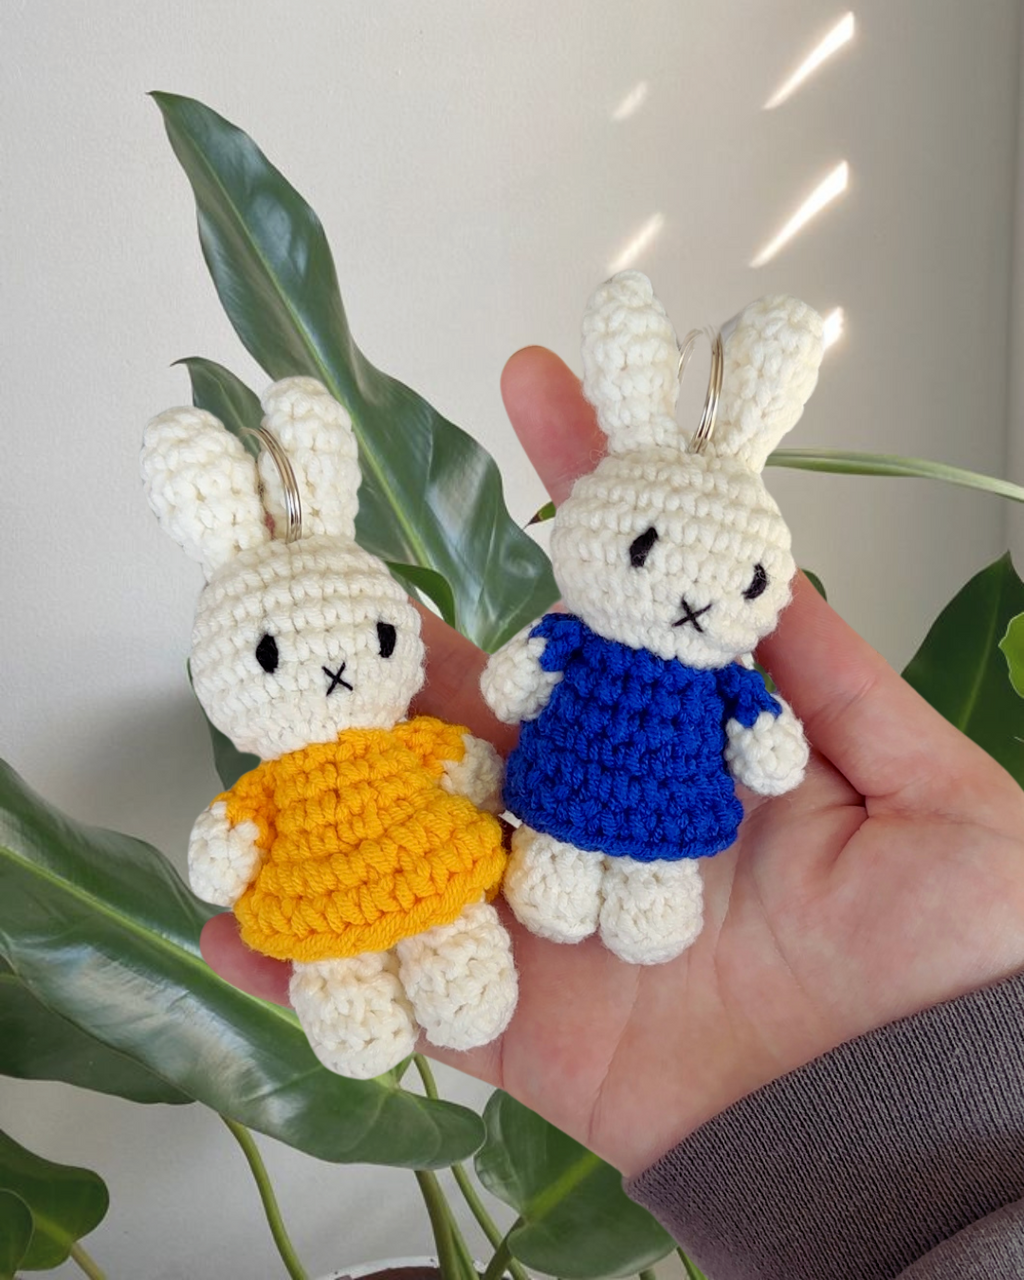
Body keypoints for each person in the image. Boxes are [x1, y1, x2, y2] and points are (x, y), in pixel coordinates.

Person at [201, 347, 1024, 1280]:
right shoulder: (547, 655)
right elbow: (495, 712)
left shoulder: (710, 675)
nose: (688, 597)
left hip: (634, 837)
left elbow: (731, 725)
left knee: (590, 911)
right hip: (511, 832)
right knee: (518, 899)